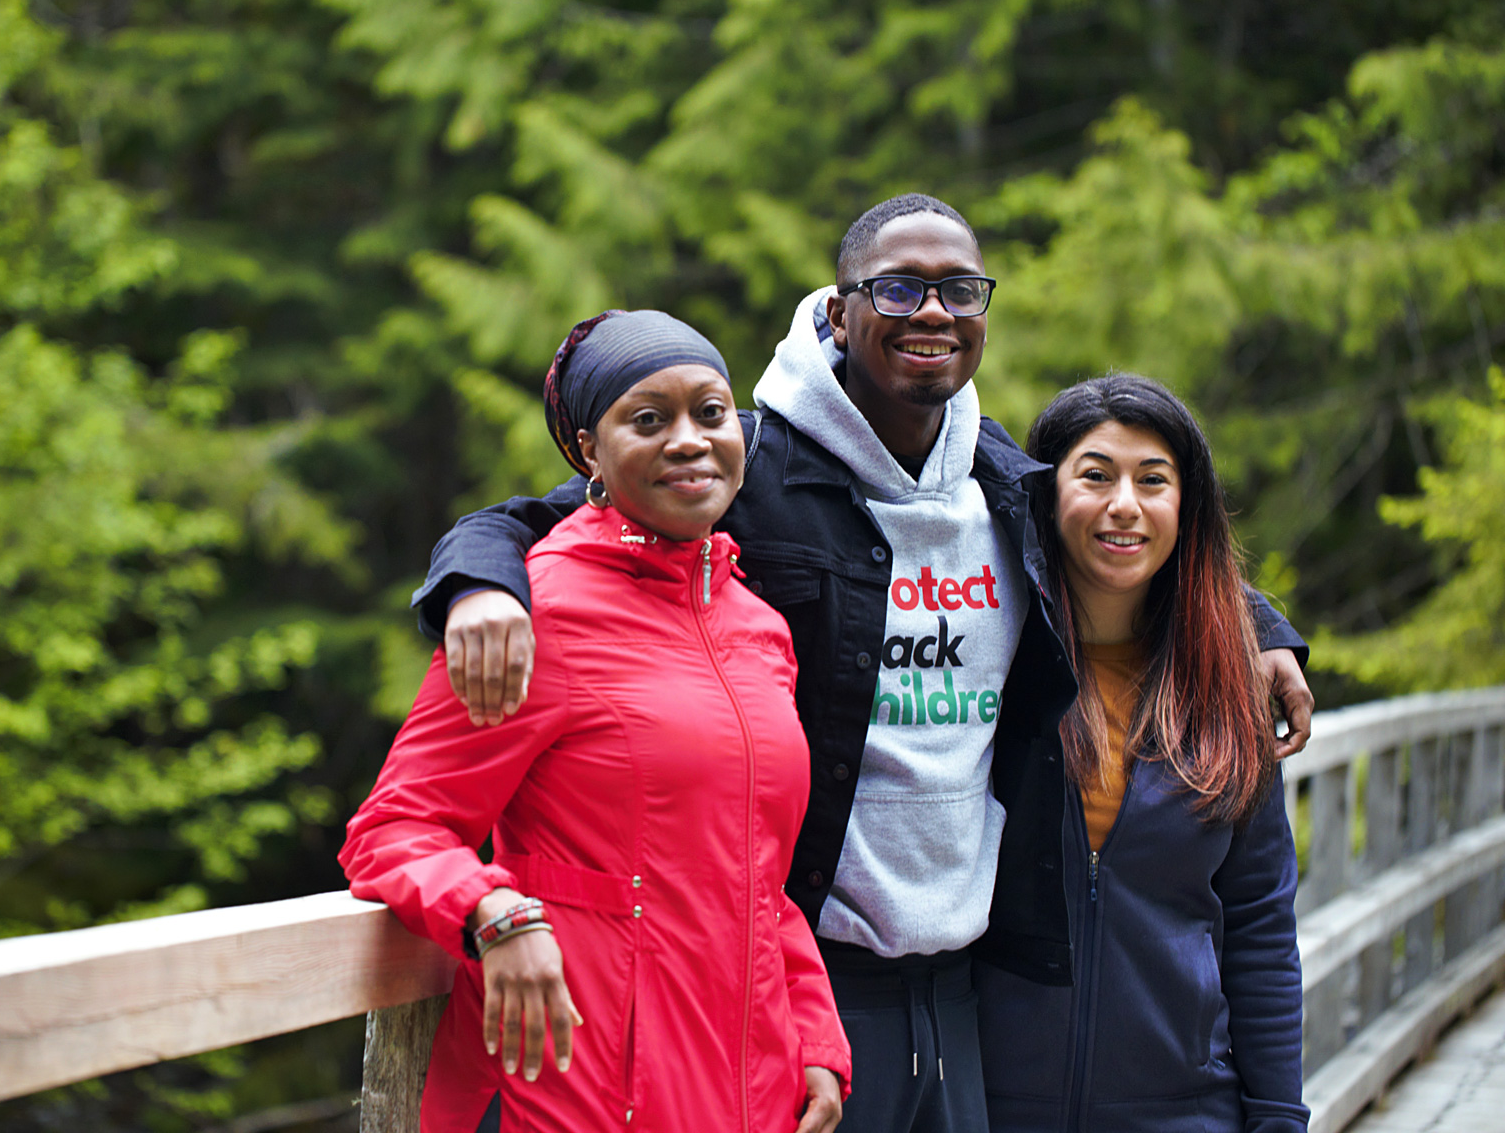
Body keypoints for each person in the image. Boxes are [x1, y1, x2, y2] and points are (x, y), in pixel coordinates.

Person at [410, 194, 1313, 1133]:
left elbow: (1125, 538)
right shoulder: (741, 462)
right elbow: (538, 520)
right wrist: (477, 585)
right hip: (814, 979)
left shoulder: (997, 480)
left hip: (963, 990)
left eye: (960, 290)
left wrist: (1257, 630)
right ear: (838, 313)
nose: (933, 312)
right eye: (899, 288)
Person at [341, 310, 851, 1133]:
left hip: (752, 1091)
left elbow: (764, 880)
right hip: (576, 1086)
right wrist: (496, 914)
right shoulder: (536, 610)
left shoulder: (759, 627)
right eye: (648, 420)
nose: (689, 440)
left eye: (711, 413)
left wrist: (816, 1039)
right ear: (589, 452)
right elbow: (394, 830)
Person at [973, 373, 1306, 1132]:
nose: (1125, 503)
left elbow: (1259, 926)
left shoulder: (1227, 690)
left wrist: (1280, 1116)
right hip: (989, 1106)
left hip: (1186, 1112)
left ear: (1184, 508)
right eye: (1095, 475)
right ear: (1045, 494)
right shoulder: (991, 666)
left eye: (1153, 480)